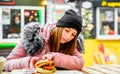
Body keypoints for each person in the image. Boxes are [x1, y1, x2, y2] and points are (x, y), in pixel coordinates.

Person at [4, 9, 84, 71]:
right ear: (59, 27)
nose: (68, 37)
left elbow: (79, 63)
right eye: (66, 30)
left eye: (73, 34)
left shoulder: (72, 43)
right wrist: (28, 62)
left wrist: (54, 57)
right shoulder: (32, 36)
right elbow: (7, 64)